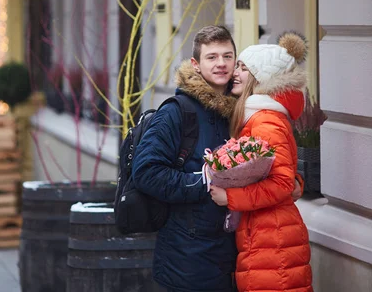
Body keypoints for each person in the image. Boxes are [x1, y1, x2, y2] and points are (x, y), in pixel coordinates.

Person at [133, 25, 238, 292]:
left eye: (227, 56)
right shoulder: (177, 112)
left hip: (232, 254)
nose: (221, 64)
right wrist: (203, 182)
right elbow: (146, 172)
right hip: (187, 257)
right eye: (212, 57)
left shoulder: (239, 110)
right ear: (196, 64)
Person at [210, 32, 313, 292]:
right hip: (268, 234)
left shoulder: (264, 120)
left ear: (260, 78)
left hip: (273, 238)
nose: (235, 71)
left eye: (244, 68)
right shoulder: (259, 117)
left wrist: (230, 197)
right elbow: (286, 174)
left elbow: (280, 183)